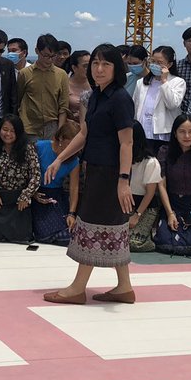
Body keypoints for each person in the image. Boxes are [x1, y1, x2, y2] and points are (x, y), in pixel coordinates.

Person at [41, 44, 136, 305]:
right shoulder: (95, 96)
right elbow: (84, 133)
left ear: (117, 68)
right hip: (95, 169)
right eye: (95, 63)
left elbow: (127, 143)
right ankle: (124, 287)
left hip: (111, 175)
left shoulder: (120, 99)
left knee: (91, 224)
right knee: (113, 226)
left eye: (106, 64)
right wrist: (60, 159)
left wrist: (123, 181)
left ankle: (77, 288)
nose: (99, 69)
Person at [154, 114, 191, 255]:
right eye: (182, 131)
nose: (187, 136)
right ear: (175, 133)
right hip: (172, 203)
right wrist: (169, 213)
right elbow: (161, 185)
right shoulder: (164, 152)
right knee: (165, 242)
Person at [0, 115, 41, 243]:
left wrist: (26, 195)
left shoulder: (28, 148)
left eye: (13, 131)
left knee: (22, 237)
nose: (8, 134)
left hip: (19, 199)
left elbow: (36, 175)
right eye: (5, 129)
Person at [32, 122, 80, 245]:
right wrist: (33, 192)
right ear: (60, 139)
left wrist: (72, 213)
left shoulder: (74, 160)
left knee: (70, 234)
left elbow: (74, 187)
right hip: (37, 192)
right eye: (70, 144)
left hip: (56, 195)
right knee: (43, 235)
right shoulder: (40, 147)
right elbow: (28, 172)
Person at [132, 44, 186, 156]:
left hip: (162, 134)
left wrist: (164, 81)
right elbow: (135, 105)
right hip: (142, 132)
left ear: (169, 64)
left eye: (159, 62)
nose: (155, 65)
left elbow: (172, 104)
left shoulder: (178, 82)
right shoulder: (141, 82)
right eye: (153, 61)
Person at [16, 33, 71, 140]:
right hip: (29, 128)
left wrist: (59, 131)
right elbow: (18, 99)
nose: (49, 60)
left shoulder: (61, 74)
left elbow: (63, 106)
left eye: (53, 56)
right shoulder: (24, 73)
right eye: (45, 55)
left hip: (52, 128)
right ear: (37, 51)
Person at [126, 123, 163, 253]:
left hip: (145, 206)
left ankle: (149, 240)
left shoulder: (150, 162)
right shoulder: (121, 157)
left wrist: (137, 215)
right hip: (126, 203)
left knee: (133, 243)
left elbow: (150, 193)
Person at [66, 49, 92, 127]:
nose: (89, 69)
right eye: (85, 66)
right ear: (74, 68)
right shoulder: (64, 84)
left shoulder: (97, 84)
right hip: (71, 128)